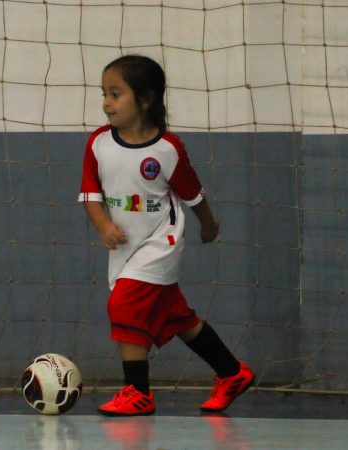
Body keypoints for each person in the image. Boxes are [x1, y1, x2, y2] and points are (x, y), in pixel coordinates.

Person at [78, 54, 254, 416]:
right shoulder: (98, 142)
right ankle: (232, 372)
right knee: (177, 317)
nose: (106, 103)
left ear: (146, 100)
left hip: (161, 242)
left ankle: (137, 392)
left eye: (116, 94)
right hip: (125, 248)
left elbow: (193, 194)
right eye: (104, 94)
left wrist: (209, 224)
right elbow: (90, 195)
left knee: (123, 305)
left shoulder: (167, 149)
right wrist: (103, 225)